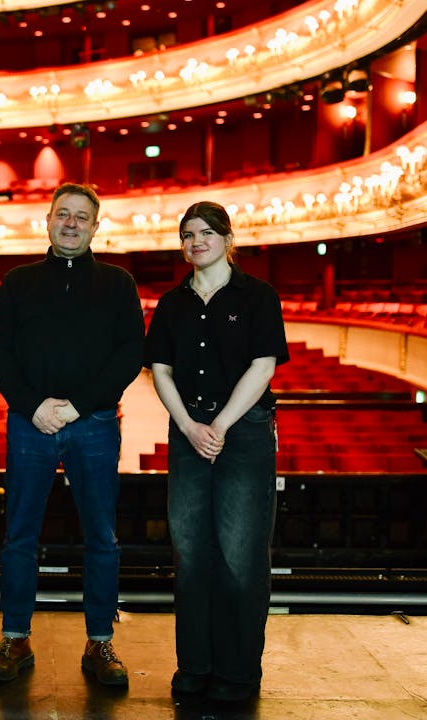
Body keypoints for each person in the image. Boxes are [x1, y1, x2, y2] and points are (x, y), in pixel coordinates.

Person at [0, 183, 144, 687]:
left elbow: (128, 355)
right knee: (19, 538)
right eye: (63, 215)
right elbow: (0, 353)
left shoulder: (118, 283)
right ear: (47, 220)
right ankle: (15, 637)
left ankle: (100, 642)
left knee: (101, 538)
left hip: (93, 423)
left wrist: (77, 406)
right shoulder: (18, 281)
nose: (71, 224)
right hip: (30, 424)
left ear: (96, 227)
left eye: (82, 217)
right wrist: (34, 407)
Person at [144, 201, 288, 704]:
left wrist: (220, 425)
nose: (195, 241)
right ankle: (196, 665)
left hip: (243, 431)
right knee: (190, 553)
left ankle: (238, 671)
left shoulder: (257, 297)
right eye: (187, 234)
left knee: (241, 557)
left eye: (206, 232)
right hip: (189, 432)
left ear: (229, 238)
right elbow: (159, 369)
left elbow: (264, 366)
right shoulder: (171, 304)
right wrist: (188, 425)